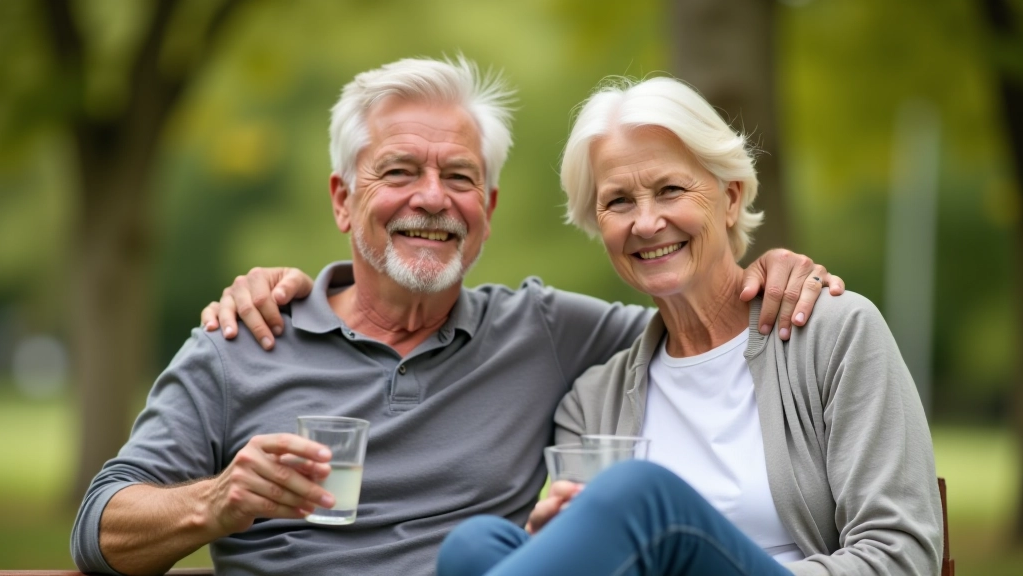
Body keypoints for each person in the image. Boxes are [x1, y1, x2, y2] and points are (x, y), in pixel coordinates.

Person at [71, 57, 842, 576]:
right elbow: (98, 528)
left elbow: (696, 309)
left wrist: (767, 269)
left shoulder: (544, 334)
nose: (433, 198)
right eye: (400, 171)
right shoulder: (247, 339)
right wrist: (217, 501)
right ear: (343, 198)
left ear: (488, 209)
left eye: (460, 177)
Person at [435, 76, 942, 576]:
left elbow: (902, 555)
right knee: (475, 548)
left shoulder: (835, 333)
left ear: (732, 198)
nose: (646, 222)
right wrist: (564, 543)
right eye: (619, 201)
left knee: (637, 494)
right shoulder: (592, 404)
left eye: (670, 190)